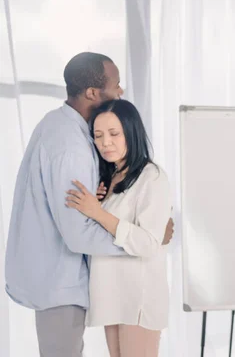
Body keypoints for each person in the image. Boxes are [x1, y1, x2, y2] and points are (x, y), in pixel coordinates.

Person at [4, 52, 173, 357]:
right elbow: (79, 234)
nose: (120, 90)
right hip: (63, 283)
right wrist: (147, 237)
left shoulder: (56, 124)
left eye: (113, 134)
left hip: (116, 292)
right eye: (116, 84)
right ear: (93, 93)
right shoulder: (73, 148)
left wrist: (144, 232)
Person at [65, 99, 171, 356]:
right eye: (98, 135)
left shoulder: (152, 176)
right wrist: (99, 203)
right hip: (111, 294)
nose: (105, 143)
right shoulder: (109, 178)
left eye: (114, 133)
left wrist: (98, 212)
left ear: (131, 132)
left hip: (138, 298)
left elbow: (147, 243)